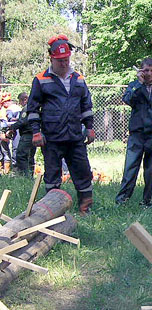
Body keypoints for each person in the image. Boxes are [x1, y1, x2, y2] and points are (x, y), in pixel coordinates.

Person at [27, 34, 95, 215]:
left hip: (75, 137)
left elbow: (86, 106)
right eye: (60, 61)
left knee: (83, 172)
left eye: (66, 60)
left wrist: (89, 127)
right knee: (52, 176)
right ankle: (52, 212)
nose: (64, 64)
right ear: (51, 58)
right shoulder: (41, 79)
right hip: (52, 138)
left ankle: (85, 209)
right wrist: (36, 132)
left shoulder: (78, 79)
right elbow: (32, 109)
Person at [115, 58, 152, 208]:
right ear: (141, 71)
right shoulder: (134, 86)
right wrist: (139, 84)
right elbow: (128, 100)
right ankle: (122, 200)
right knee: (130, 168)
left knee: (151, 171)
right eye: (146, 70)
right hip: (137, 135)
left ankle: (146, 202)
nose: (149, 73)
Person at [6, 93, 36, 177]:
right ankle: (30, 175)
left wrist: (12, 127)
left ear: (25, 99)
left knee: (21, 155)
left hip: (27, 134)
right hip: (34, 134)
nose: (20, 103)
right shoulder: (34, 106)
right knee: (30, 156)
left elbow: (23, 121)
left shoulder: (27, 108)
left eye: (20, 101)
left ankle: (25, 176)